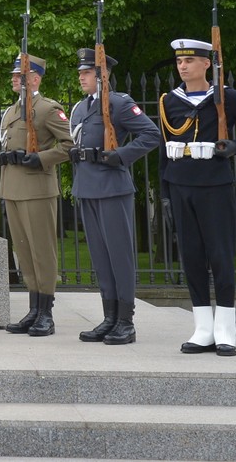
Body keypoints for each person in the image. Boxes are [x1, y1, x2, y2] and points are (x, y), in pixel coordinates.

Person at [159, 38, 236, 356]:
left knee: (220, 258)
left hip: (214, 188)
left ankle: (225, 328)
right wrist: (166, 193)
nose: (183, 66)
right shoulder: (169, 101)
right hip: (181, 186)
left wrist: (234, 146)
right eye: (179, 62)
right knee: (192, 259)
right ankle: (203, 328)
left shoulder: (227, 98)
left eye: (190, 61)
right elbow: (164, 151)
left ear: (207, 64)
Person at [68, 49, 159, 345]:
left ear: (102, 75)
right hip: (87, 188)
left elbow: (151, 135)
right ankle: (109, 317)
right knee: (101, 257)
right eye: (80, 72)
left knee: (119, 255)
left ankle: (126, 321)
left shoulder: (119, 104)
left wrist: (120, 156)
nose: (81, 76)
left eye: (87, 72)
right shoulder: (81, 108)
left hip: (112, 187)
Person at [0, 54, 72, 336]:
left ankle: (46, 313)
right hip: (13, 187)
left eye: (21, 75)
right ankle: (33, 308)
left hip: (37, 188)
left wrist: (40, 158)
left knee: (42, 251)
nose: (14, 79)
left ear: (35, 79)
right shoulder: (11, 111)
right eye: (14, 75)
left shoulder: (48, 109)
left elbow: (68, 146)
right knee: (24, 250)